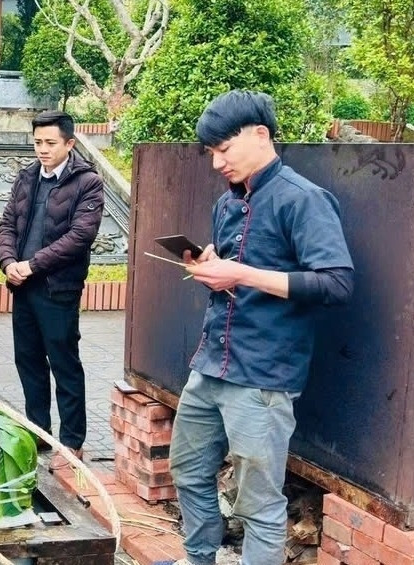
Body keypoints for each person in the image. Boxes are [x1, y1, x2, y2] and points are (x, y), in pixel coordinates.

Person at [172, 90, 354, 565]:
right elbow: (240, 275)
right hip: (210, 364)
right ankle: (199, 559)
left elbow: (336, 283)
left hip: (263, 377)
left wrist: (241, 274)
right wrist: (215, 266)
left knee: (259, 503)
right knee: (188, 472)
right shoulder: (227, 203)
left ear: (260, 134)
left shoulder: (304, 200)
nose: (217, 163)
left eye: (223, 149)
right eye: (211, 152)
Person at [0, 110, 105, 457]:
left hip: (58, 289)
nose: (42, 149)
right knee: (27, 360)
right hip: (23, 286)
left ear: (69, 143)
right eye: (37, 142)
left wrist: (32, 264)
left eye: (50, 143)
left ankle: (72, 442)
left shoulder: (87, 182)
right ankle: (39, 431)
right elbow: (7, 225)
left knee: (64, 363)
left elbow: (79, 237)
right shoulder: (27, 177)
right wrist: (8, 262)